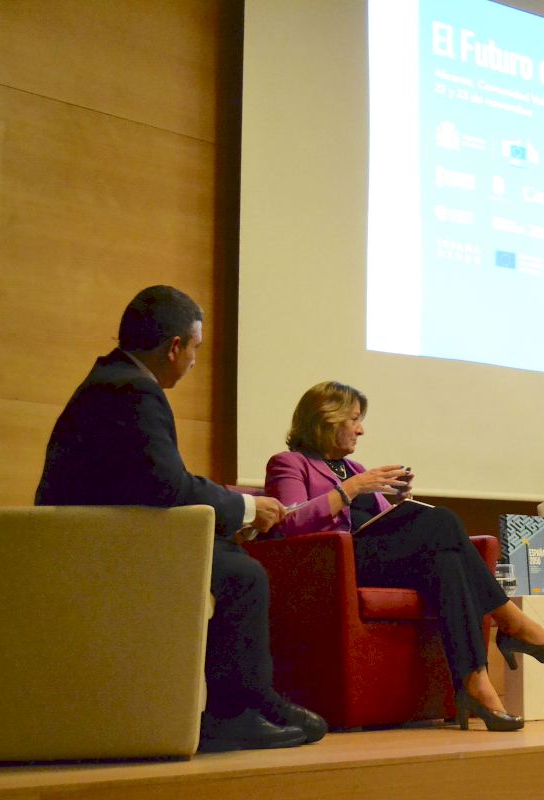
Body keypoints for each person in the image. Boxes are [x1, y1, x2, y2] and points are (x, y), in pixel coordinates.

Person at [35, 285, 326, 752]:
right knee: (242, 575)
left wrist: (234, 505)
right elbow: (167, 487)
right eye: (195, 348)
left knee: (227, 553)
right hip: (93, 548)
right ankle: (233, 714)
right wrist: (249, 508)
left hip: (94, 535)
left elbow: (153, 481)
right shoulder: (132, 391)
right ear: (174, 347)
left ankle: (255, 699)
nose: (194, 361)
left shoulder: (116, 380)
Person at [264, 381, 544, 731]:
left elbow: (381, 522)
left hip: (377, 560)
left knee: (447, 562)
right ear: (327, 419)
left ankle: (476, 682)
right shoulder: (289, 463)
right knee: (443, 521)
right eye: (354, 420)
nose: (361, 430)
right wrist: (351, 489)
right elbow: (288, 523)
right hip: (334, 565)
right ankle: (511, 622)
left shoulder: (354, 468)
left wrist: (399, 503)